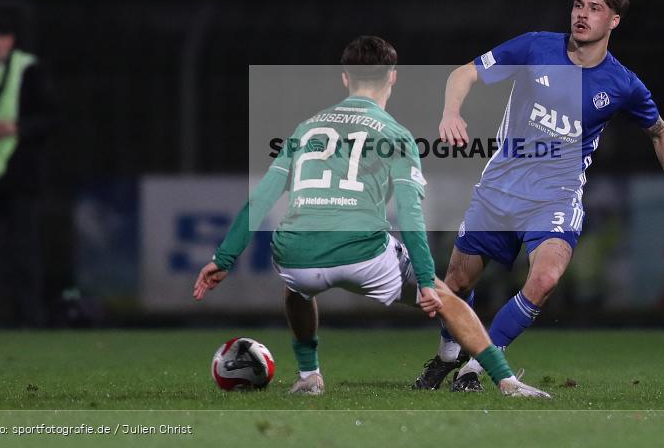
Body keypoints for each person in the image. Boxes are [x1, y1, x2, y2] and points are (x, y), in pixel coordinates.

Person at [193, 35, 550, 398]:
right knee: (450, 301)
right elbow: (410, 216)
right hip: (364, 253)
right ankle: (507, 381)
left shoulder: (307, 128)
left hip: (294, 255)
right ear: (393, 76)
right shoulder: (397, 135)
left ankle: (309, 376)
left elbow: (260, 199)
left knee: (297, 288)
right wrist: (427, 280)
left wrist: (223, 258)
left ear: (345, 78)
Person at [413, 0, 664, 391]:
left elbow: (660, 132)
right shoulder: (536, 46)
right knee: (456, 283)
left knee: (545, 280)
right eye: (578, 6)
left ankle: (478, 367)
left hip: (556, 196)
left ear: (614, 21)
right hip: (500, 189)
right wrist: (451, 112)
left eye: (595, 8)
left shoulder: (622, 84)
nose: (582, 15)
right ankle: (447, 356)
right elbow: (465, 72)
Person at [0, 19, 55, 327]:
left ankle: (30, 320)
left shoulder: (28, 70)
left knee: (23, 252)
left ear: (10, 40)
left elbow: (51, 117)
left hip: (20, 175)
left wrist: (18, 128)